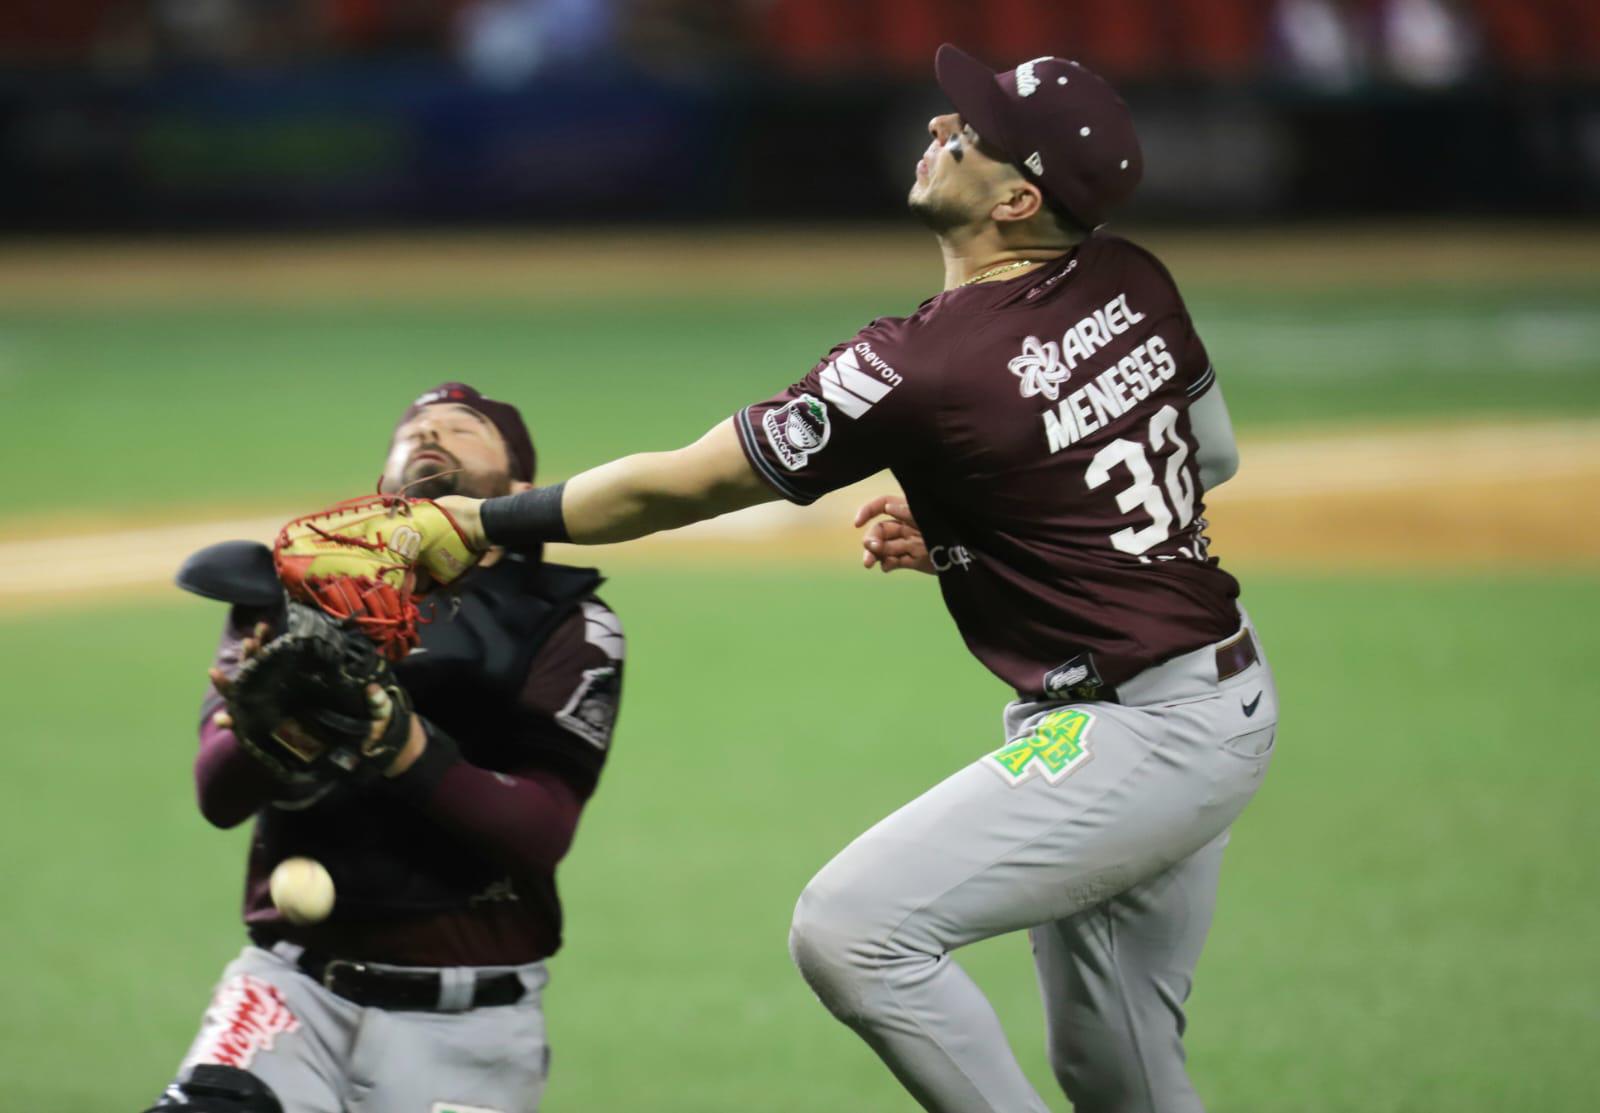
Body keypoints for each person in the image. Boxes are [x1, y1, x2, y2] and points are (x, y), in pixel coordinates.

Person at [442, 45, 1274, 1113]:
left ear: (1017, 200)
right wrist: (986, 524)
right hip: (1217, 696)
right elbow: (1207, 458)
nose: (938, 128)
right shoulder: (1132, 278)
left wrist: (480, 521)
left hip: (1141, 737)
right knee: (1120, 1074)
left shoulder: (920, 365)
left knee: (854, 932)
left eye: (966, 134)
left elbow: (680, 488)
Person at [150, 383, 625, 1113]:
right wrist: (265, 732)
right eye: (415, 428)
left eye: (463, 428)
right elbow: (217, 795)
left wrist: (401, 746)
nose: (431, 433)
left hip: (472, 1027)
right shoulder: (294, 587)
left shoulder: (564, 622)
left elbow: (540, 827)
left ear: (521, 489)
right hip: (289, 991)